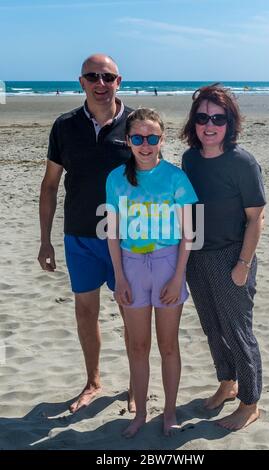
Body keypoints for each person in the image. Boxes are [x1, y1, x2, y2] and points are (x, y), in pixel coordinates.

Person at [38, 53, 136, 413]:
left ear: (118, 81)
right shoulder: (64, 126)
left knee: (132, 312)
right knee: (85, 312)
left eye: (107, 77)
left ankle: (135, 385)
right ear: (81, 82)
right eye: (92, 76)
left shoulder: (135, 124)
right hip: (78, 236)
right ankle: (93, 381)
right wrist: (45, 240)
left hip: (128, 238)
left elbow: (154, 181)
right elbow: (50, 186)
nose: (100, 83)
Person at [106, 108, 198, 437]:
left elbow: (190, 233)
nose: (145, 145)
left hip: (167, 265)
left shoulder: (176, 178)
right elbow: (113, 233)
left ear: (162, 139)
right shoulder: (115, 178)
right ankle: (141, 412)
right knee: (138, 346)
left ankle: (169, 411)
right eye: (138, 138)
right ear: (128, 140)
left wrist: (178, 277)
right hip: (131, 266)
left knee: (169, 346)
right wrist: (119, 276)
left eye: (152, 138)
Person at [180, 84, 266, 431]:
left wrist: (243, 265)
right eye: (202, 118)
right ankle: (227, 384)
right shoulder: (189, 158)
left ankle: (250, 402)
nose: (209, 124)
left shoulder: (242, 162)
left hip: (232, 257)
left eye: (218, 117)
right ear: (194, 123)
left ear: (230, 122)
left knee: (238, 330)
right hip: (197, 257)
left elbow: (256, 217)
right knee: (212, 327)